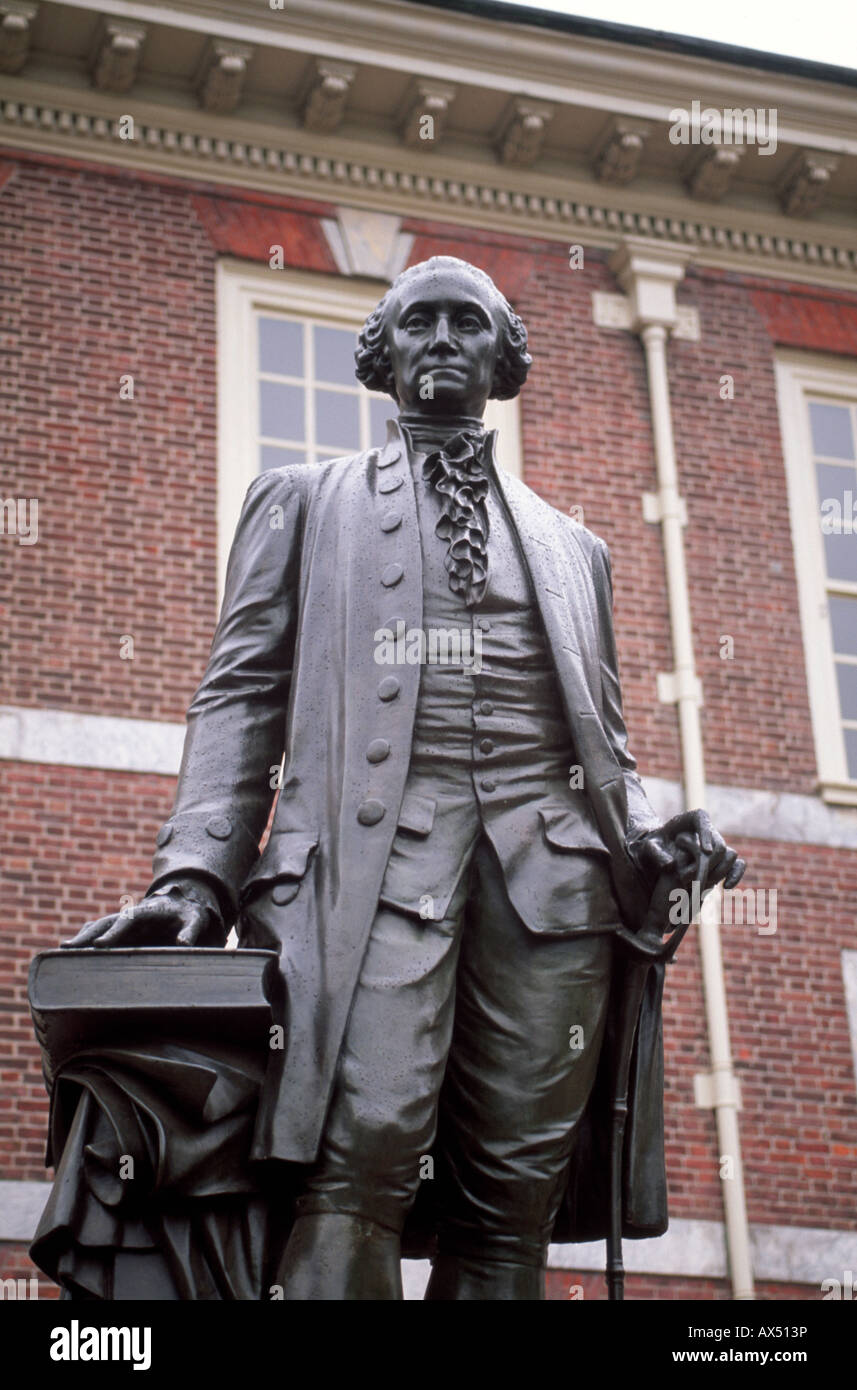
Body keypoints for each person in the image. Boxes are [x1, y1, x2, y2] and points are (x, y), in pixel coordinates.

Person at [68, 256, 744, 1299]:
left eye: (465, 323)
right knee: (357, 1163)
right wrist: (191, 879)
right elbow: (240, 697)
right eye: (416, 321)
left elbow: (602, 746)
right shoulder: (301, 504)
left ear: (502, 357)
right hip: (361, 877)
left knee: (512, 1202)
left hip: (551, 896)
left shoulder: (576, 550)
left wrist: (652, 838)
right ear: (380, 355)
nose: (440, 339)